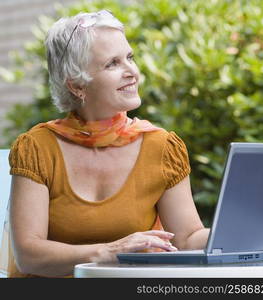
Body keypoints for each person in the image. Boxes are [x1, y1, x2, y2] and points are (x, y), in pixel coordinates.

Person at [7, 10, 210, 278]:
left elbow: (187, 238)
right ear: (77, 85)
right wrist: (109, 251)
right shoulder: (37, 148)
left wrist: (241, 231)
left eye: (130, 58)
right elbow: (29, 256)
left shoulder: (161, 147)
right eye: (112, 64)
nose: (132, 72)